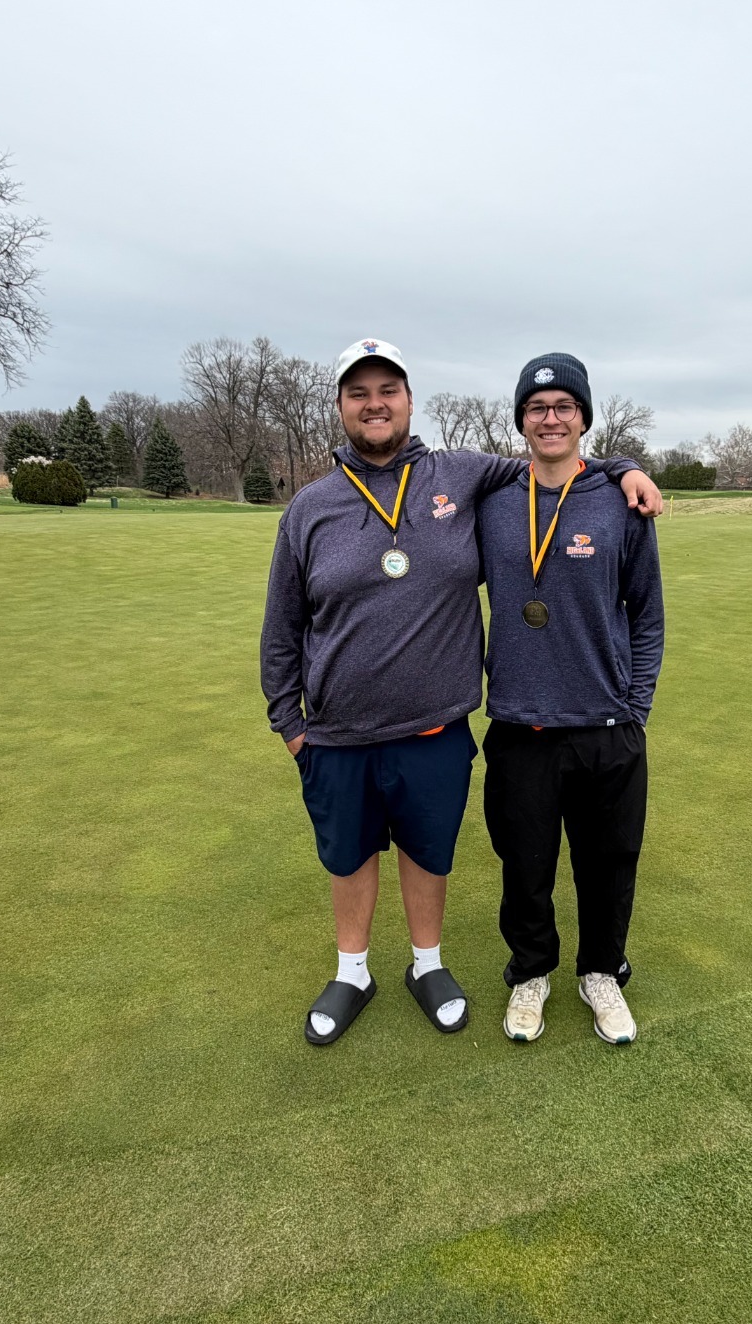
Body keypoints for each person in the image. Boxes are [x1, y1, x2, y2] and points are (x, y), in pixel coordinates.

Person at [260, 339, 663, 1046]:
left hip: (498, 726)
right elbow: (281, 624)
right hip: (380, 728)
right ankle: (391, 972)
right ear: (342, 406)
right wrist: (289, 723)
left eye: (389, 389)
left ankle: (495, 968)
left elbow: (575, 484)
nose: (375, 403)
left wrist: (627, 468)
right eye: (360, 392)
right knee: (388, 857)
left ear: (410, 401)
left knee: (470, 853)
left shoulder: (479, 476)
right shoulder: (327, 506)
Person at [478, 353, 664, 1045]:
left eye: (563, 406)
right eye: (536, 408)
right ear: (521, 420)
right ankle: (531, 971)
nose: (549, 418)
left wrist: (636, 705)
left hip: (607, 723)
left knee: (609, 862)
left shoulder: (621, 501)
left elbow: (646, 613)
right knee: (525, 863)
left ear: (584, 417)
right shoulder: (493, 500)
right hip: (521, 722)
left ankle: (601, 974)